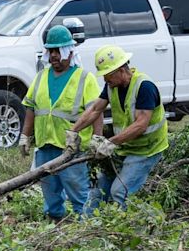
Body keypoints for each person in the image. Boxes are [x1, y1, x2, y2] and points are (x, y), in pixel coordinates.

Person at [67, 44, 168, 210]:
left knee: (120, 192)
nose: (105, 79)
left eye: (107, 75)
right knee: (99, 192)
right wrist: (73, 131)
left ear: (121, 70)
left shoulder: (144, 87)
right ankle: (88, 229)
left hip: (146, 150)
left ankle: (124, 232)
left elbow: (141, 125)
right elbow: (94, 109)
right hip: (124, 148)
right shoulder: (111, 86)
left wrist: (111, 142)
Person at [19, 25, 102, 222]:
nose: (54, 56)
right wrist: (25, 136)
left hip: (71, 148)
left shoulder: (84, 78)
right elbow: (31, 108)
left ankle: (85, 225)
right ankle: (55, 221)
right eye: (51, 51)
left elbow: (96, 111)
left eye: (58, 51)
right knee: (50, 190)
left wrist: (97, 138)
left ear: (69, 51)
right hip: (45, 145)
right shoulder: (41, 77)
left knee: (76, 189)